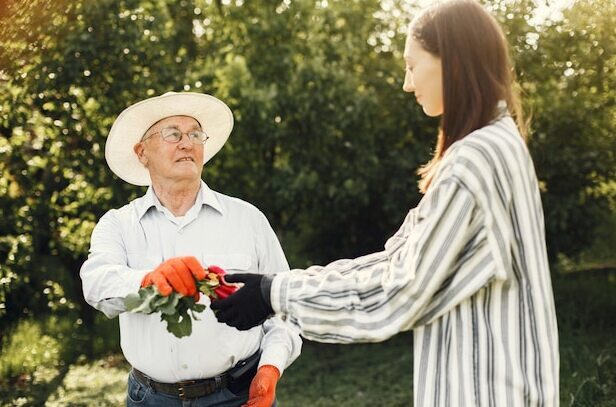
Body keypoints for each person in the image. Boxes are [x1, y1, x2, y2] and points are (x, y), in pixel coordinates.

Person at [211, 1, 559, 405]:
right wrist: (276, 288)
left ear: (452, 61)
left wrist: (275, 295)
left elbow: (400, 293)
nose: (407, 84)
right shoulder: (499, 144)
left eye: (412, 65)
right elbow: (396, 259)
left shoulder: (474, 160)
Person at [80, 92, 301, 407]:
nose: (187, 143)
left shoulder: (248, 219)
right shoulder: (118, 224)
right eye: (173, 133)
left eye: (195, 134)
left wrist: (270, 369)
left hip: (238, 395)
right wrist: (148, 281)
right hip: (151, 400)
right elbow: (96, 284)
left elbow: (284, 306)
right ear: (142, 152)